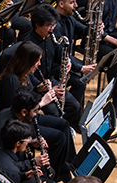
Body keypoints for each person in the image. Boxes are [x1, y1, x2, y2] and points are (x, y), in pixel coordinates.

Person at [0, 87, 75, 183]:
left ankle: (66, 168)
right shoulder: (7, 132)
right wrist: (32, 163)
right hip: (6, 173)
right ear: (24, 112)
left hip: (12, 162)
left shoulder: (11, 113)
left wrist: (29, 142)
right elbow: (9, 164)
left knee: (63, 126)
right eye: (35, 111)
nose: (36, 114)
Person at [53, 0, 117, 114]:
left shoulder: (70, 19)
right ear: (61, 4)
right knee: (82, 79)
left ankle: (75, 118)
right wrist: (81, 67)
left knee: (81, 81)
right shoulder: (56, 25)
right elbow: (60, 54)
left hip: (66, 60)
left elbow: (85, 30)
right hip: (56, 65)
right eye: (72, 2)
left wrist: (96, 28)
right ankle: (71, 116)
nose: (76, 5)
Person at [0, 40, 81, 130]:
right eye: (37, 61)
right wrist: (41, 102)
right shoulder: (12, 80)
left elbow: (25, 96)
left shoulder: (25, 74)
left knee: (63, 124)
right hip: (18, 126)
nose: (39, 64)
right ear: (27, 62)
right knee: (60, 133)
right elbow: (15, 111)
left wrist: (38, 89)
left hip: (27, 119)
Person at [28, 3, 84, 131]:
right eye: (49, 25)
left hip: (50, 80)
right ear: (37, 25)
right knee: (54, 114)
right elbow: (27, 75)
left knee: (74, 106)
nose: (52, 29)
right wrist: (45, 88)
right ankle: (47, 134)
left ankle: (65, 129)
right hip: (36, 87)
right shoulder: (29, 44)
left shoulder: (50, 37)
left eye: (53, 25)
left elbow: (59, 54)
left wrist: (67, 61)